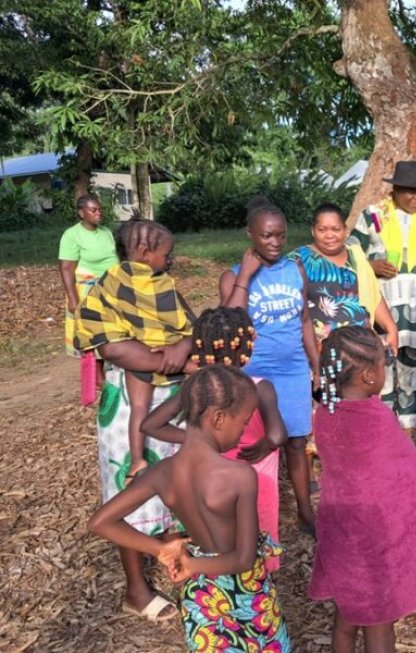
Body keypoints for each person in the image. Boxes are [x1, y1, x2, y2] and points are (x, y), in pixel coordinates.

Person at [88, 366, 292, 652]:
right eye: (244, 423)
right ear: (218, 418)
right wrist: (191, 564)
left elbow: (100, 522)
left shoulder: (163, 472)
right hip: (246, 592)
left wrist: (160, 550)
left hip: (200, 592)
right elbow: (243, 559)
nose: (244, 431)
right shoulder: (239, 475)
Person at [74, 217, 194, 621]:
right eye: (166, 253)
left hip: (170, 397)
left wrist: (183, 346)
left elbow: (189, 328)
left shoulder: (165, 287)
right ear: (144, 253)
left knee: (174, 487)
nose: (170, 258)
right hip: (127, 400)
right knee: (132, 487)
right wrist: (167, 359)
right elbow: (112, 348)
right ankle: (136, 589)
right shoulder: (105, 289)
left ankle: (177, 563)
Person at [309, 326, 416, 652]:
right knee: (379, 625)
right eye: (384, 365)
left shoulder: (325, 413)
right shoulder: (376, 418)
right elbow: (398, 476)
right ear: (370, 376)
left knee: (346, 615)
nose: (386, 371)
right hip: (375, 543)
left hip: (341, 532)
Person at [141, 307, 286, 571]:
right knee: (257, 540)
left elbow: (150, 424)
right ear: (247, 346)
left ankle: (212, 578)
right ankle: (259, 590)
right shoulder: (258, 386)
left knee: (215, 538)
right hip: (256, 477)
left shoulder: (197, 388)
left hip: (211, 481)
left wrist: (194, 438)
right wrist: (262, 446)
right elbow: (277, 435)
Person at [219, 199, 319, 534]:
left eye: (280, 235)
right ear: (250, 235)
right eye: (266, 236)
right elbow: (230, 322)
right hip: (253, 373)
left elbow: (305, 319)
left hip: (292, 370)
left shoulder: (295, 270)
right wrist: (246, 275)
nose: (275, 242)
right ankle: (257, 519)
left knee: (295, 442)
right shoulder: (232, 277)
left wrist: (315, 365)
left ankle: (305, 512)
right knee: (255, 446)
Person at [350, 160, 416, 433]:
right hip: (384, 310)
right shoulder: (373, 215)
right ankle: (382, 427)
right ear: (395, 191)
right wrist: (371, 266)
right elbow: (350, 255)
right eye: (410, 191)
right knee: (382, 366)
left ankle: (407, 431)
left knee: (412, 367)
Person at [291, 203, 398, 352]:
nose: (330, 235)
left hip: (362, 349)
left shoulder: (357, 257)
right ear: (313, 231)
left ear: (345, 231)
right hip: (320, 352)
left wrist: (391, 328)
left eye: (336, 229)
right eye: (322, 230)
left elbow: (373, 295)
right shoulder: (298, 260)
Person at [58, 194, 119, 398]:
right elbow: (66, 267)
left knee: (112, 330)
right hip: (88, 291)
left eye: (100, 209)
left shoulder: (106, 232)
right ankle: (98, 378)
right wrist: (73, 298)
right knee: (92, 334)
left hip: (111, 288)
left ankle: (114, 369)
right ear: (81, 213)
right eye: (93, 210)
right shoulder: (72, 235)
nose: (98, 213)